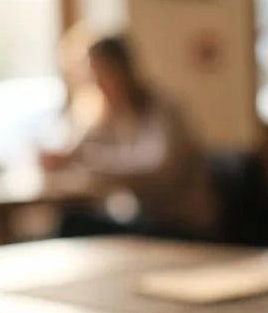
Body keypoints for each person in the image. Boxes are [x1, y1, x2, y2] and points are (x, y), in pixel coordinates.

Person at [40, 34, 215, 239]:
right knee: (70, 222)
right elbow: (84, 148)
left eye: (103, 76)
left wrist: (89, 161)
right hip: (142, 221)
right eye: (94, 80)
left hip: (178, 226)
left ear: (123, 70)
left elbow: (156, 170)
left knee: (75, 228)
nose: (99, 86)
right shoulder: (115, 113)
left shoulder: (162, 109)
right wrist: (68, 156)